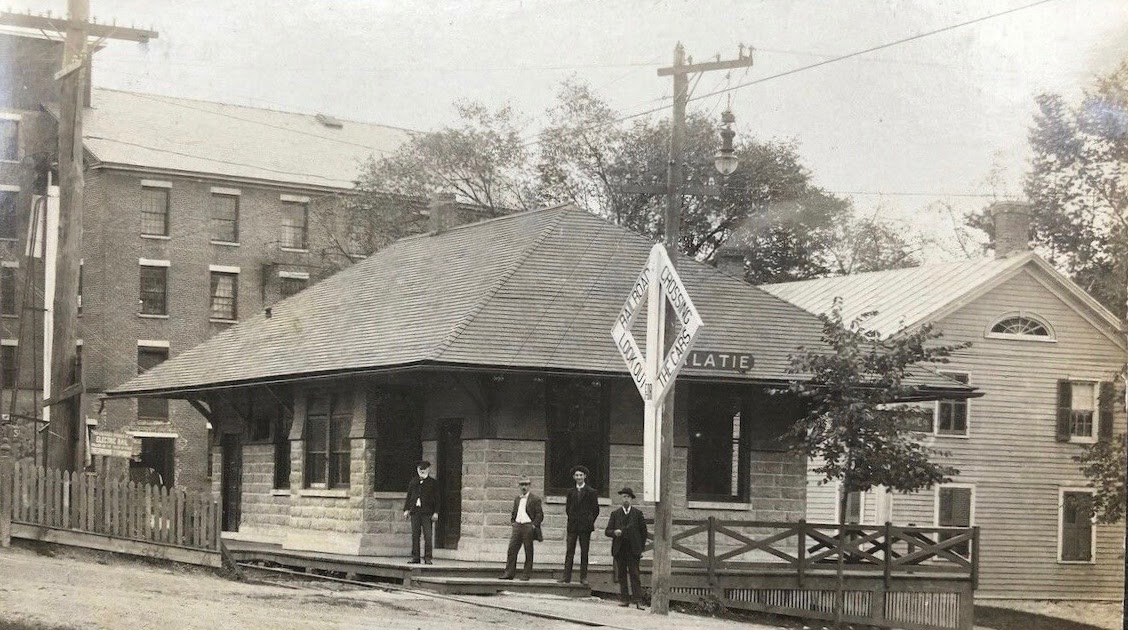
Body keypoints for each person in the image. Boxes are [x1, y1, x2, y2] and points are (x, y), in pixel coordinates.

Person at [605, 486, 647, 608]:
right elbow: (607, 531)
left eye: (628, 497)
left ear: (632, 499)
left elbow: (643, 533)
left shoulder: (638, 514)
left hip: (633, 550)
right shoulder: (615, 514)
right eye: (624, 497)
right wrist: (614, 532)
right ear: (621, 499)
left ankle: (638, 600)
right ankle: (624, 599)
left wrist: (641, 549)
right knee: (621, 575)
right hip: (620, 549)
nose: (626, 499)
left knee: (635, 574)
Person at [560, 465, 599, 584]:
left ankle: (583, 577)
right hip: (572, 526)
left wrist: (589, 521)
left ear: (585, 476)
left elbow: (595, 510)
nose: (579, 477)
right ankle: (566, 577)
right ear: (573, 477)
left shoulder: (591, 492)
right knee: (569, 551)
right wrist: (572, 519)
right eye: (577, 475)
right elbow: (568, 508)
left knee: (584, 552)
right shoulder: (570, 492)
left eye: (581, 475)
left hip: (585, 527)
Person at [499, 476, 543, 581]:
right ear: (519, 486)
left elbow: (539, 515)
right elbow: (514, 512)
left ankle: (526, 574)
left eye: (526, 485)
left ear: (529, 486)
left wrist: (533, 525)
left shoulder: (535, 499)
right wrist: (513, 522)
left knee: (528, 551)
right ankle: (509, 573)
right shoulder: (517, 499)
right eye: (522, 485)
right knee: (512, 550)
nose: (524, 487)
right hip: (518, 526)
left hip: (528, 526)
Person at [402, 460, 438, 564]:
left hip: (427, 513)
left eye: (424, 469)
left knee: (428, 535)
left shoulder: (433, 483)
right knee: (415, 535)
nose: (422, 471)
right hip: (415, 512)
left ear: (428, 469)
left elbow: (437, 499)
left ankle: (428, 558)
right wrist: (406, 509)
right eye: (420, 469)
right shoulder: (413, 482)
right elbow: (409, 496)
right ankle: (415, 557)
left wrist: (436, 512)